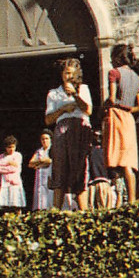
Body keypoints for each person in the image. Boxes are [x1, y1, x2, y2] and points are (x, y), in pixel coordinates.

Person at [45, 58, 93, 211]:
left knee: (80, 168)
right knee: (59, 168)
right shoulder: (53, 93)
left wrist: (76, 95)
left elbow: (88, 110)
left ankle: (84, 211)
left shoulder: (84, 89)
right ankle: (56, 211)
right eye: (66, 73)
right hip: (62, 129)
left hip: (80, 128)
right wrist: (63, 109)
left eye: (72, 74)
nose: (69, 77)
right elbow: (48, 119)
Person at [103, 43, 139, 204]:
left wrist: (104, 108)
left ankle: (119, 199)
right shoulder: (136, 77)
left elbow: (112, 99)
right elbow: (138, 107)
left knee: (116, 157)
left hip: (116, 115)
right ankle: (132, 199)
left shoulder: (114, 73)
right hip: (129, 118)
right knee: (128, 161)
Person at [0, 135, 26, 213]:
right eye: (9, 147)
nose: (11, 149)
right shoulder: (0, 157)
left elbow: (14, 168)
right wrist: (8, 164)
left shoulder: (17, 155)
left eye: (13, 147)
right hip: (4, 183)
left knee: (16, 205)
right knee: (5, 206)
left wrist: (3, 167)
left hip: (14, 183)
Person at [28, 130, 54, 211]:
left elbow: (51, 161)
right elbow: (30, 163)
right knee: (40, 198)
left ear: (50, 139)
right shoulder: (39, 151)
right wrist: (42, 162)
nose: (44, 141)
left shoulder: (53, 149)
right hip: (40, 177)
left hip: (50, 175)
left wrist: (40, 163)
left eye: (46, 139)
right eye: (43, 139)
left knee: (50, 196)